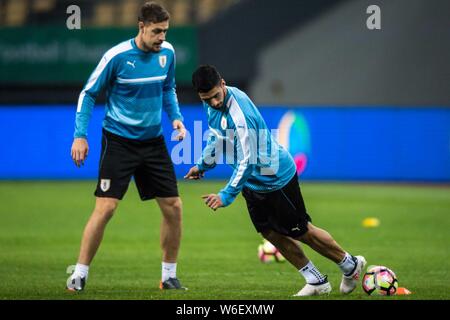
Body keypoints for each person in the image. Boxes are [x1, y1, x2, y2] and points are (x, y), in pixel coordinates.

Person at [185, 65, 366, 296]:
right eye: (206, 99)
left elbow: (247, 162)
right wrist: (202, 165)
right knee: (269, 232)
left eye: (215, 97)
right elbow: (218, 137)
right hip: (254, 182)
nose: (213, 103)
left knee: (302, 231)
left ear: (222, 83)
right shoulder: (212, 103)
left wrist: (225, 195)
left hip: (275, 178)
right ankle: (316, 280)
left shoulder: (240, 116)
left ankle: (350, 264)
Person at [67, 2, 186, 291]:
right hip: (119, 141)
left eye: (165, 31)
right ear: (141, 27)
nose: (161, 37)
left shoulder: (167, 53)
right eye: (156, 31)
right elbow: (88, 93)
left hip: (153, 141)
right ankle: (79, 274)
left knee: (174, 207)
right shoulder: (117, 57)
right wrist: (80, 135)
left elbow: (168, 87)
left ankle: (168, 276)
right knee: (106, 208)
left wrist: (177, 120)